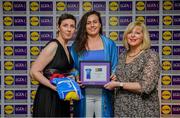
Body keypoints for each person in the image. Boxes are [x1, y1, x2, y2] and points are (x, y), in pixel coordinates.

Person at [104, 21, 160, 117]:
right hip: (121, 109)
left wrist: (119, 84)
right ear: (126, 35)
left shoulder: (151, 55)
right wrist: (115, 78)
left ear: (143, 37)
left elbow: (146, 87)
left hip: (143, 109)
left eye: (137, 33)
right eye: (130, 32)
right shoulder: (122, 56)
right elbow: (123, 77)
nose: (133, 35)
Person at [71, 11, 118, 117]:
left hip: (104, 93)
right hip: (84, 93)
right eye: (88, 23)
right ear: (84, 26)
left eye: (95, 22)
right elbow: (72, 67)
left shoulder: (109, 44)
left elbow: (115, 66)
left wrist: (114, 76)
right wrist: (76, 75)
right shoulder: (76, 46)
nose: (92, 25)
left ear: (100, 24)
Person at [29, 13, 76, 117]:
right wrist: (54, 87)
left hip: (61, 96)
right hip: (48, 96)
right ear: (58, 27)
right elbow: (34, 71)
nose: (69, 29)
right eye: (65, 25)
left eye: (72, 26)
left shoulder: (67, 48)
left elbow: (63, 73)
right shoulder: (53, 45)